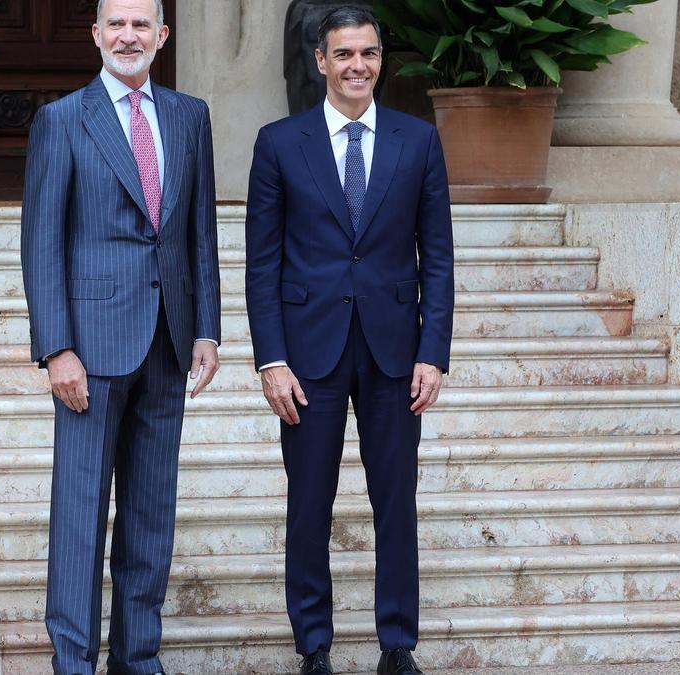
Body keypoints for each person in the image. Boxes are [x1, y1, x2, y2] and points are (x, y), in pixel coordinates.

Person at [244, 5, 454, 675]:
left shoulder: (417, 141)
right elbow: (262, 263)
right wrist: (271, 359)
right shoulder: (279, 142)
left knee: (396, 498)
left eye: (367, 52)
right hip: (309, 354)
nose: (356, 65)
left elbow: (440, 258)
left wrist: (433, 351)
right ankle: (314, 645)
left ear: (379, 59)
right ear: (320, 61)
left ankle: (398, 643)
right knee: (309, 503)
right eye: (343, 54)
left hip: (395, 350)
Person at [19, 0, 220, 672]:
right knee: (80, 517)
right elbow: (41, 240)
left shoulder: (190, 117)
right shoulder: (63, 120)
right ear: (97, 35)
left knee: (150, 514)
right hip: (90, 348)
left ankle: (139, 656)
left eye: (142, 25)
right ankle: (73, 661)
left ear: (162, 36)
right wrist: (56, 347)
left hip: (167, 342)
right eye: (117, 24)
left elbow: (199, 235)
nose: (128, 35)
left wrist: (207, 329)